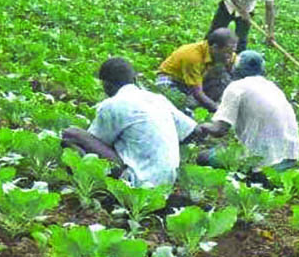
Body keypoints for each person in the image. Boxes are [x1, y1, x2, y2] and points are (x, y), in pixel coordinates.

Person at [62, 58, 198, 188]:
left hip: (135, 180)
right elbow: (192, 132)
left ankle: (84, 181)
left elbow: (97, 142)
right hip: (166, 182)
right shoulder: (158, 99)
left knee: (71, 134)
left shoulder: (112, 104)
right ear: (135, 79)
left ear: (105, 85)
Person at [195, 51, 299, 172]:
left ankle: (248, 178)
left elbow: (219, 130)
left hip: (264, 162)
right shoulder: (272, 87)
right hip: (290, 158)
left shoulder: (236, 87)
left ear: (236, 69)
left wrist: (201, 127)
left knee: (203, 157)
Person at [156, 28, 237, 113]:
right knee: (179, 106)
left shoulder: (227, 54)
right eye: (227, 53)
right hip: (172, 80)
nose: (230, 56)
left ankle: (202, 105)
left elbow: (235, 78)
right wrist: (219, 111)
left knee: (224, 78)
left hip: (196, 80)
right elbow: (197, 93)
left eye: (232, 52)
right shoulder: (192, 56)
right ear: (215, 48)